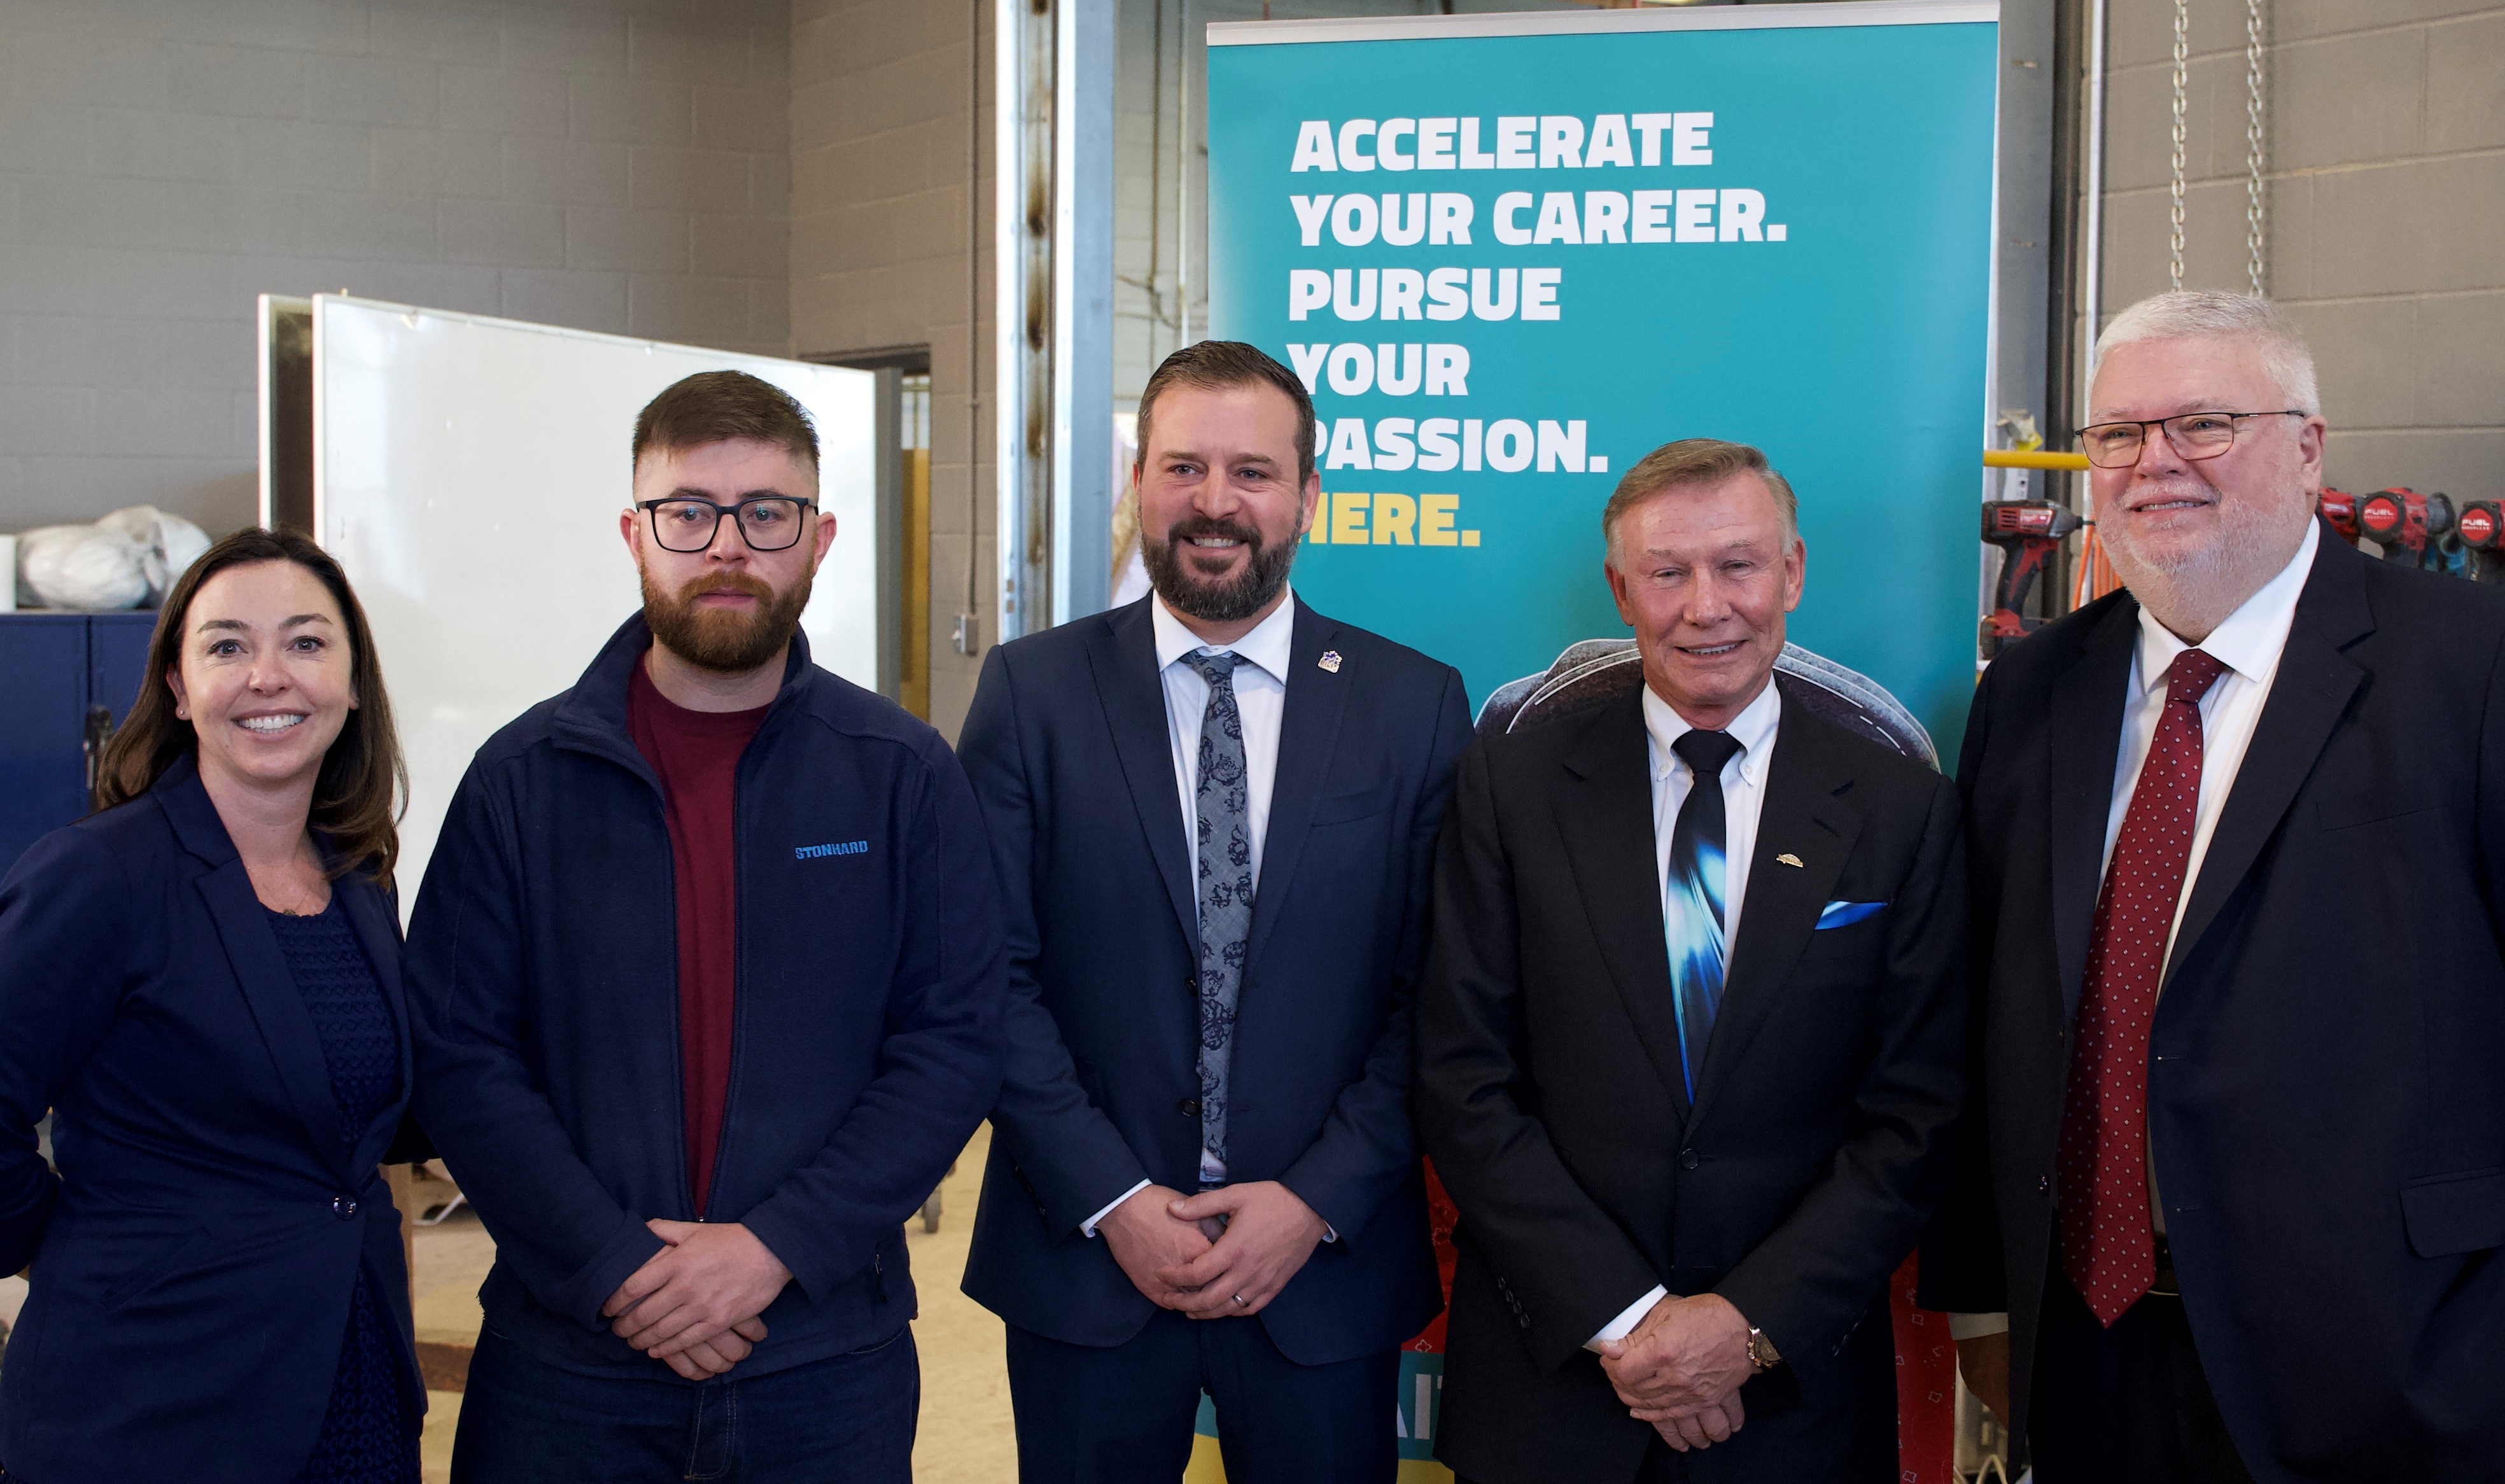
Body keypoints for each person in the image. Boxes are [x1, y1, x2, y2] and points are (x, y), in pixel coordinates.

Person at [1923, 291, 2505, 1482]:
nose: (2155, 467)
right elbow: (1987, 1015)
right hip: (2090, 1349)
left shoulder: (2472, 666)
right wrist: (1984, 1299)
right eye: (2120, 436)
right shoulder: (2033, 696)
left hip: (2400, 1356)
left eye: (2202, 425)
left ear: (2306, 446)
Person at [403, 370, 1004, 1482]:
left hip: (822, 1353)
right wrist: (617, 1268)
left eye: (766, 513)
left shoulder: (901, 778)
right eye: (689, 512)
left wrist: (774, 1250)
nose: (728, 546)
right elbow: (459, 1054)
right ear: (635, 533)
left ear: (818, 539)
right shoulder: (520, 782)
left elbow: (954, 1042)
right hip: (566, 1359)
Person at [955, 340, 1473, 1484]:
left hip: (1321, 1273)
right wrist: (1116, 1199)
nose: (1215, 502)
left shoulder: (1415, 705)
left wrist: (1314, 1202)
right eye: (1184, 466)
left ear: (1308, 497)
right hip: (1084, 1263)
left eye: (1252, 471)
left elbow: (1441, 996)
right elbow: (985, 977)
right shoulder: (1030, 692)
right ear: (1140, 482)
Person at [1417, 439, 1967, 1484]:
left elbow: (1919, 1113)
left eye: (1740, 565)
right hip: (1556, 1391)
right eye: (1668, 573)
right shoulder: (1510, 785)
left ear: (1794, 572)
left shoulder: (1903, 807)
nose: (1706, 606)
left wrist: (1743, 1330)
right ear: (1622, 589)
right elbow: (1461, 1076)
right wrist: (1628, 1323)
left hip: (1795, 1399)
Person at [0, 528, 423, 1484]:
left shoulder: (359, 877)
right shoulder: (101, 875)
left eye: (307, 643)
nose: (269, 676)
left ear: (353, 684)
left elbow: (361, 1142)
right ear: (181, 689)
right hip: (149, 1404)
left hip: (352, 1391)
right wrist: (74, 1249)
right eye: (228, 646)